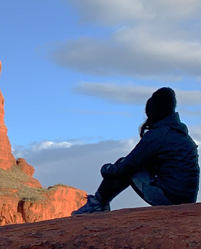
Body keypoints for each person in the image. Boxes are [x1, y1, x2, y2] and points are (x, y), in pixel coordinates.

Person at [72, 87, 200, 215]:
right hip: (187, 198)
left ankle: (97, 204)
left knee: (126, 166)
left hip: (170, 199)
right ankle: (98, 203)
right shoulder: (179, 133)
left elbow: (128, 165)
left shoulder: (158, 135)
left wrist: (106, 169)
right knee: (135, 165)